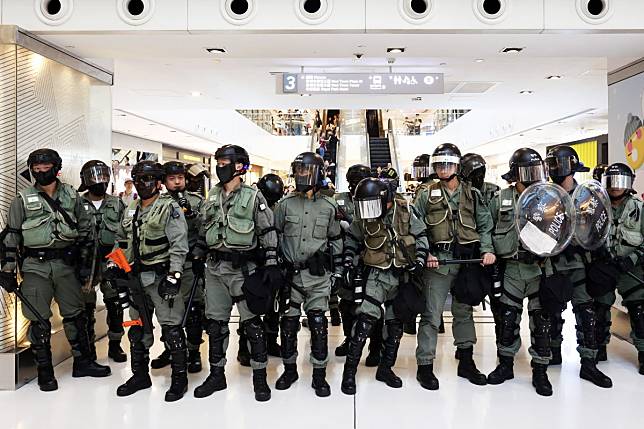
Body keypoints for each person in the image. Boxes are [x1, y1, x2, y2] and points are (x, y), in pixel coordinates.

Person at [0, 149, 111, 392]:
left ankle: (83, 362)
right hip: (35, 267)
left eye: (46, 167)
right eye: (36, 168)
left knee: (75, 315)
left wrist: (85, 267)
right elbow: (11, 236)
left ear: (56, 167)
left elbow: (85, 232)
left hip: (66, 265)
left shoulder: (71, 196)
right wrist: (7, 271)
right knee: (38, 320)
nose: (41, 171)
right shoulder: (22, 199)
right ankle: (44, 371)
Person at [193, 145, 279, 402]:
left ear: (240, 166)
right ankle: (217, 376)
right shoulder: (212, 195)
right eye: (218, 163)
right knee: (216, 326)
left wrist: (272, 264)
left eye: (225, 162)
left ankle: (260, 379)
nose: (221, 167)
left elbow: (267, 231)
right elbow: (202, 228)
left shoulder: (254, 197)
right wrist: (198, 253)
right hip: (215, 270)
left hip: (243, 271)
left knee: (253, 326)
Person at [414, 143, 495, 390]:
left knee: (464, 311)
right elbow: (415, 226)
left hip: (467, 262)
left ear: (457, 166)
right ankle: (425, 366)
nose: (442, 168)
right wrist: (425, 252)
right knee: (431, 314)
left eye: (447, 164)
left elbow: (484, 225)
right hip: (438, 263)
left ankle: (466, 361)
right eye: (438, 164)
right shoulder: (425, 193)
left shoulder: (472, 193)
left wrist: (487, 250)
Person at [109, 160, 190, 402]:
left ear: (158, 182)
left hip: (161, 277)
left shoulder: (169, 207)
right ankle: (140, 375)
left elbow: (179, 245)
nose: (144, 184)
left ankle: (179, 379)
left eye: (148, 179)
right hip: (135, 278)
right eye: (139, 179)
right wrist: (114, 264)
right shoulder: (131, 206)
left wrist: (175, 277)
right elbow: (121, 240)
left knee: (172, 329)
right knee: (136, 328)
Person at [340, 177, 430, 394]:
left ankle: (385, 369)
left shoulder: (405, 211)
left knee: (395, 326)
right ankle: (349, 373)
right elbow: (353, 237)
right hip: (376, 276)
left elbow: (421, 236)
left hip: (401, 276)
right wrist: (348, 260)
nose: (369, 210)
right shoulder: (365, 215)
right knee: (364, 322)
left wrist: (419, 259)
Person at [273, 152, 343, 398]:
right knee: (289, 326)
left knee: (318, 325)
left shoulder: (329, 206)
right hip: (291, 277)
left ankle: (319, 375)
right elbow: (275, 236)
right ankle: (290, 370)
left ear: (317, 173)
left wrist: (337, 272)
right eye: (298, 170)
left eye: (306, 170)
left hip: (318, 277)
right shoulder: (285, 205)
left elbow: (335, 240)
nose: (301, 174)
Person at [487, 148, 555, 396]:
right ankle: (505, 366)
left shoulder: (549, 198)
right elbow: (487, 229)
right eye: (526, 171)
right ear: (514, 174)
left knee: (542, 323)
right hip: (512, 268)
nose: (531, 177)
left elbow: (561, 229)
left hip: (538, 268)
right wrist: (487, 250)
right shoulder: (500, 198)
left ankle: (540, 372)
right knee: (507, 319)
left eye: (535, 171)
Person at [543, 146, 612, 387]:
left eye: (558, 165)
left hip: (581, 265)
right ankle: (553, 354)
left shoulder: (586, 197)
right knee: (551, 312)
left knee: (586, 313)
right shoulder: (546, 196)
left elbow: (598, 228)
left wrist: (590, 247)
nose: (555, 170)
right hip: (553, 265)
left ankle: (589, 364)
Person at [150, 161, 206, 374]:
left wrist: (193, 216)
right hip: (164, 265)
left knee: (193, 310)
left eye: (180, 178)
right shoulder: (156, 202)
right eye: (172, 179)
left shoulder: (196, 201)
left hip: (190, 264)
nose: (176, 182)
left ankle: (193, 352)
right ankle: (171, 349)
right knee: (168, 311)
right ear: (164, 181)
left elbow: (206, 229)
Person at [595, 163, 644, 375]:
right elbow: (585, 234)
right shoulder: (596, 207)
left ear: (629, 183)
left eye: (620, 181)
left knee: (640, 312)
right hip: (605, 266)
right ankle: (599, 348)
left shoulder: (639, 209)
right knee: (598, 309)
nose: (615, 187)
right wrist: (597, 251)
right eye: (611, 181)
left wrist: (632, 258)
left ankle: (643, 353)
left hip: (631, 268)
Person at [333, 164, 383, 368]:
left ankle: (375, 346)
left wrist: (348, 219)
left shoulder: (376, 195)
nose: (355, 185)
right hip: (348, 256)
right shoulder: (340, 199)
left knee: (372, 304)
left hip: (372, 255)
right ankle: (350, 338)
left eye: (359, 180)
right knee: (346, 303)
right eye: (352, 181)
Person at [79, 160, 127, 363]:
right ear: (86, 181)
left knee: (115, 304)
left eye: (104, 177)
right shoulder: (77, 204)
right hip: (85, 261)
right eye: (95, 178)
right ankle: (88, 348)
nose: (100, 181)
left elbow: (125, 232)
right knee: (85, 307)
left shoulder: (117, 203)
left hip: (111, 259)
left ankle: (115, 346)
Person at [234, 173, 285, 364]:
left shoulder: (279, 208)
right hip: (254, 264)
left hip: (274, 263)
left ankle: (271, 341)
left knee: (274, 308)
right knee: (249, 307)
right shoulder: (250, 205)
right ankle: (244, 347)